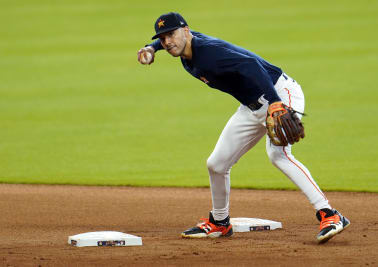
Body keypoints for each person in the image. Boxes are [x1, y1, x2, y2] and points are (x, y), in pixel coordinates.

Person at [137, 12, 350, 243]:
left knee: (278, 155)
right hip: (251, 105)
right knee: (216, 164)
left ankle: (330, 214)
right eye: (163, 38)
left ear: (186, 31)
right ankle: (219, 222)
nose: (168, 42)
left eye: (172, 35)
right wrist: (151, 48)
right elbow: (165, 40)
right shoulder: (186, 46)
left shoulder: (209, 54)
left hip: (279, 92)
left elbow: (252, 65)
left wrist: (275, 102)